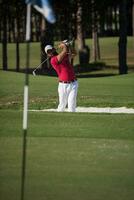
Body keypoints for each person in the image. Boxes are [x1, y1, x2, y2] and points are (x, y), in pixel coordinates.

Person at [44, 41, 78, 112]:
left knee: (71, 106)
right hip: (63, 86)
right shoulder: (53, 60)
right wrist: (64, 45)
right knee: (62, 106)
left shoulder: (64, 55)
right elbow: (65, 50)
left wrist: (69, 46)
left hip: (73, 84)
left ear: (53, 49)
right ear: (48, 54)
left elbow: (74, 54)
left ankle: (71, 121)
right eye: (48, 52)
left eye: (50, 50)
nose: (50, 52)